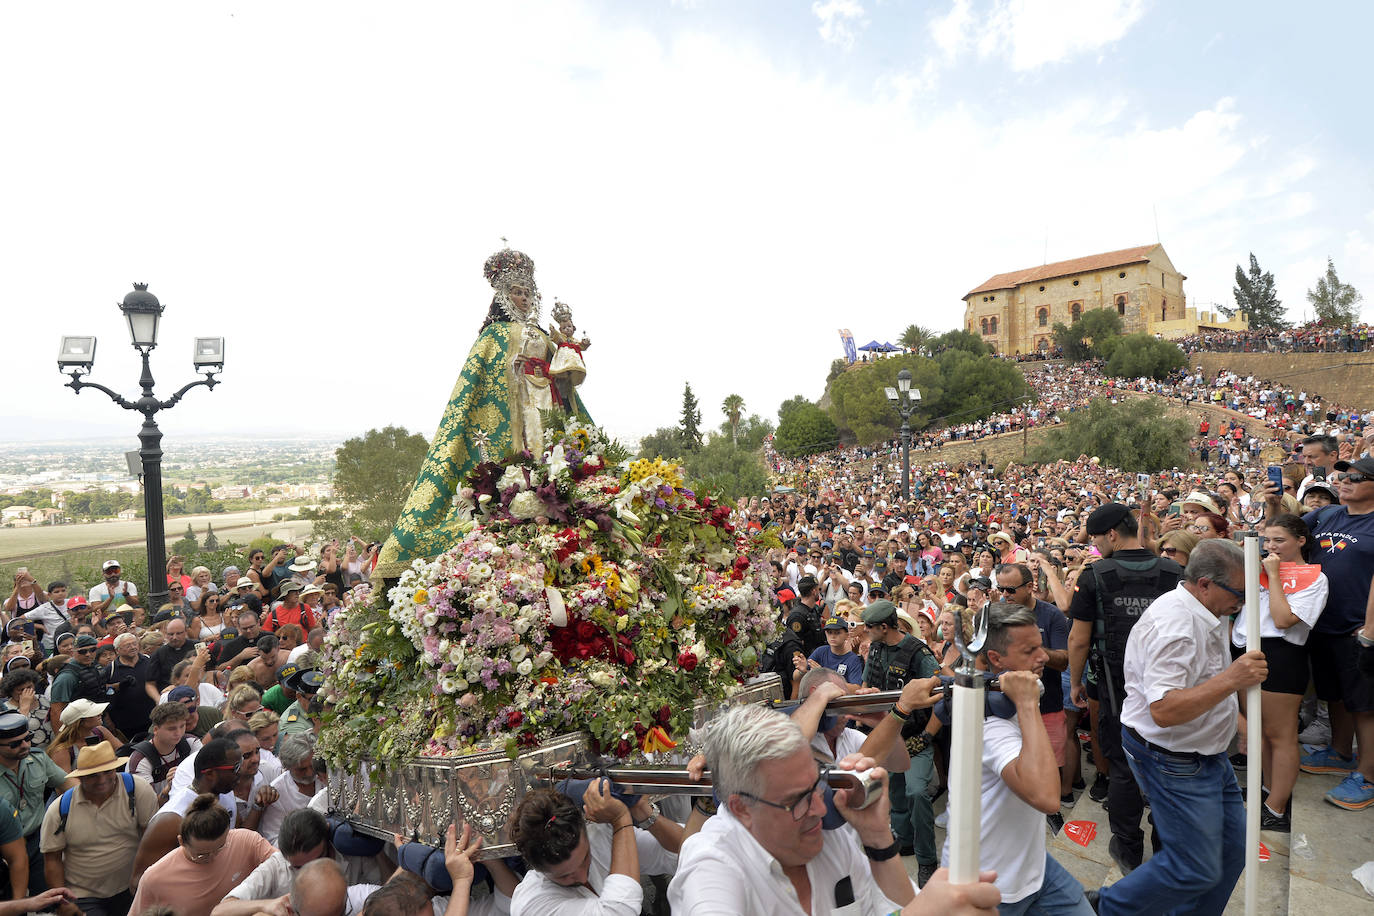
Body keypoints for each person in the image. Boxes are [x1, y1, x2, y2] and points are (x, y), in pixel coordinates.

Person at [374, 246, 591, 580]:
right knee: (525, 449)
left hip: (547, 401)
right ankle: (520, 495)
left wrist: (567, 353)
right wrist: (514, 371)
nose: (524, 298)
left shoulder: (545, 335)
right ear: (504, 296)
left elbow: (564, 368)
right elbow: (482, 380)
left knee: (553, 447)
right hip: (515, 404)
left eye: (527, 292)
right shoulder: (492, 336)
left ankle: (557, 494)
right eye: (517, 292)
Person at [667, 703, 1002, 916]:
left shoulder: (826, 836)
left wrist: (877, 838)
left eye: (817, 785)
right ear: (741, 808)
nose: (817, 808)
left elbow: (895, 909)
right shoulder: (710, 865)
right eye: (797, 799)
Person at [1093, 540, 1268, 916]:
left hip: (1205, 752)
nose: (1244, 602)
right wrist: (1234, 679)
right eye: (1239, 593)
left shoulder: (1209, 610)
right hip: (1173, 757)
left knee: (1233, 849)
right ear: (1204, 584)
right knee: (1194, 867)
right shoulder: (1176, 627)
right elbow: (1165, 710)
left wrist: (1234, 720)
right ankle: (1104, 908)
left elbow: (1201, 677)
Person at [940, 601, 1093, 915]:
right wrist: (1026, 705)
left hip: (1035, 866)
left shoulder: (1013, 688)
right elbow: (1048, 798)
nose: (1043, 656)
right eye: (1029, 651)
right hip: (993, 884)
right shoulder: (987, 725)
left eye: (1040, 645)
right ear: (995, 658)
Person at [1066, 503, 1182, 875]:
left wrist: (1075, 681)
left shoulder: (1094, 575)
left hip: (1112, 684)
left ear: (1112, 534)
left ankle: (1127, 846)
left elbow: (1079, 639)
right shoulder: (1174, 571)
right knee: (1165, 765)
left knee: (1121, 765)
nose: (1097, 546)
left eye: (1098, 539)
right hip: (1167, 683)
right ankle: (1164, 844)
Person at [1229, 514, 1327, 830]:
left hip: (1282, 656)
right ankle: (1266, 790)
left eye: (1279, 540)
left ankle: (1277, 808)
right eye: (1267, 540)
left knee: (1280, 735)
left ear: (1301, 540)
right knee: (1259, 731)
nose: (1271, 547)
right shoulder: (1257, 568)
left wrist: (1272, 576)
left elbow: (1284, 619)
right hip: (1246, 650)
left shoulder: (1315, 578)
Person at [508, 777, 681, 915]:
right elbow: (619, 911)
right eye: (564, 876)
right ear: (539, 869)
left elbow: (681, 853)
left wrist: (643, 811)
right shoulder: (530, 904)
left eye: (585, 859)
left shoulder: (598, 836)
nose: (582, 877)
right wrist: (621, 821)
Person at [861, 598, 939, 884]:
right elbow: (869, 686)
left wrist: (926, 736)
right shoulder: (877, 649)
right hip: (889, 734)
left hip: (916, 736)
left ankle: (927, 859)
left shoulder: (919, 654)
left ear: (884, 627)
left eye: (869, 626)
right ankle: (904, 839)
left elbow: (940, 701)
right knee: (894, 792)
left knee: (916, 792)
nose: (865, 631)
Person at [39, 740, 158, 916]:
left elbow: (152, 838)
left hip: (131, 887)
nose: (102, 780)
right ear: (80, 777)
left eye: (107, 772)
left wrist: (146, 878)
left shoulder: (137, 789)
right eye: (93, 775)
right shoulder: (60, 809)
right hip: (83, 894)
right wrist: (62, 902)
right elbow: (52, 859)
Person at [212, 808, 389, 915]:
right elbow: (220, 911)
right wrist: (267, 905)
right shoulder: (276, 866)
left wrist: (376, 848)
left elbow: (389, 892)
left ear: (327, 838)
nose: (309, 871)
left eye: (316, 860)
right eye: (298, 867)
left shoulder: (353, 854)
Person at [128, 794, 275, 916]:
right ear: (181, 842)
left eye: (220, 848)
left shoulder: (247, 841)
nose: (212, 858)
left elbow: (284, 867)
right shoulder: (154, 879)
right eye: (201, 855)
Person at [130, 737, 244, 888]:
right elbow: (138, 881)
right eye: (235, 768)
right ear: (209, 774)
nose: (240, 772)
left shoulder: (226, 793)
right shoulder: (171, 819)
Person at [0, 712, 73, 895]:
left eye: (28, 738)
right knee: (12, 904)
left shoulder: (38, 759)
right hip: (4, 848)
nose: (25, 745)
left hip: (38, 841)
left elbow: (72, 788)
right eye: (15, 744)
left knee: (49, 898)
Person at [127, 701, 201, 800]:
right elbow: (149, 808)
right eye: (171, 729)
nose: (178, 733)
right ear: (156, 730)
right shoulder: (140, 760)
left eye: (182, 726)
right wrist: (169, 787)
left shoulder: (192, 742)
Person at [106, 632, 160, 739]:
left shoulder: (150, 661)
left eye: (134, 644)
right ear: (117, 650)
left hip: (153, 718)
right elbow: (103, 694)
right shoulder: (110, 670)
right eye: (127, 645)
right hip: (126, 724)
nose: (133, 647)